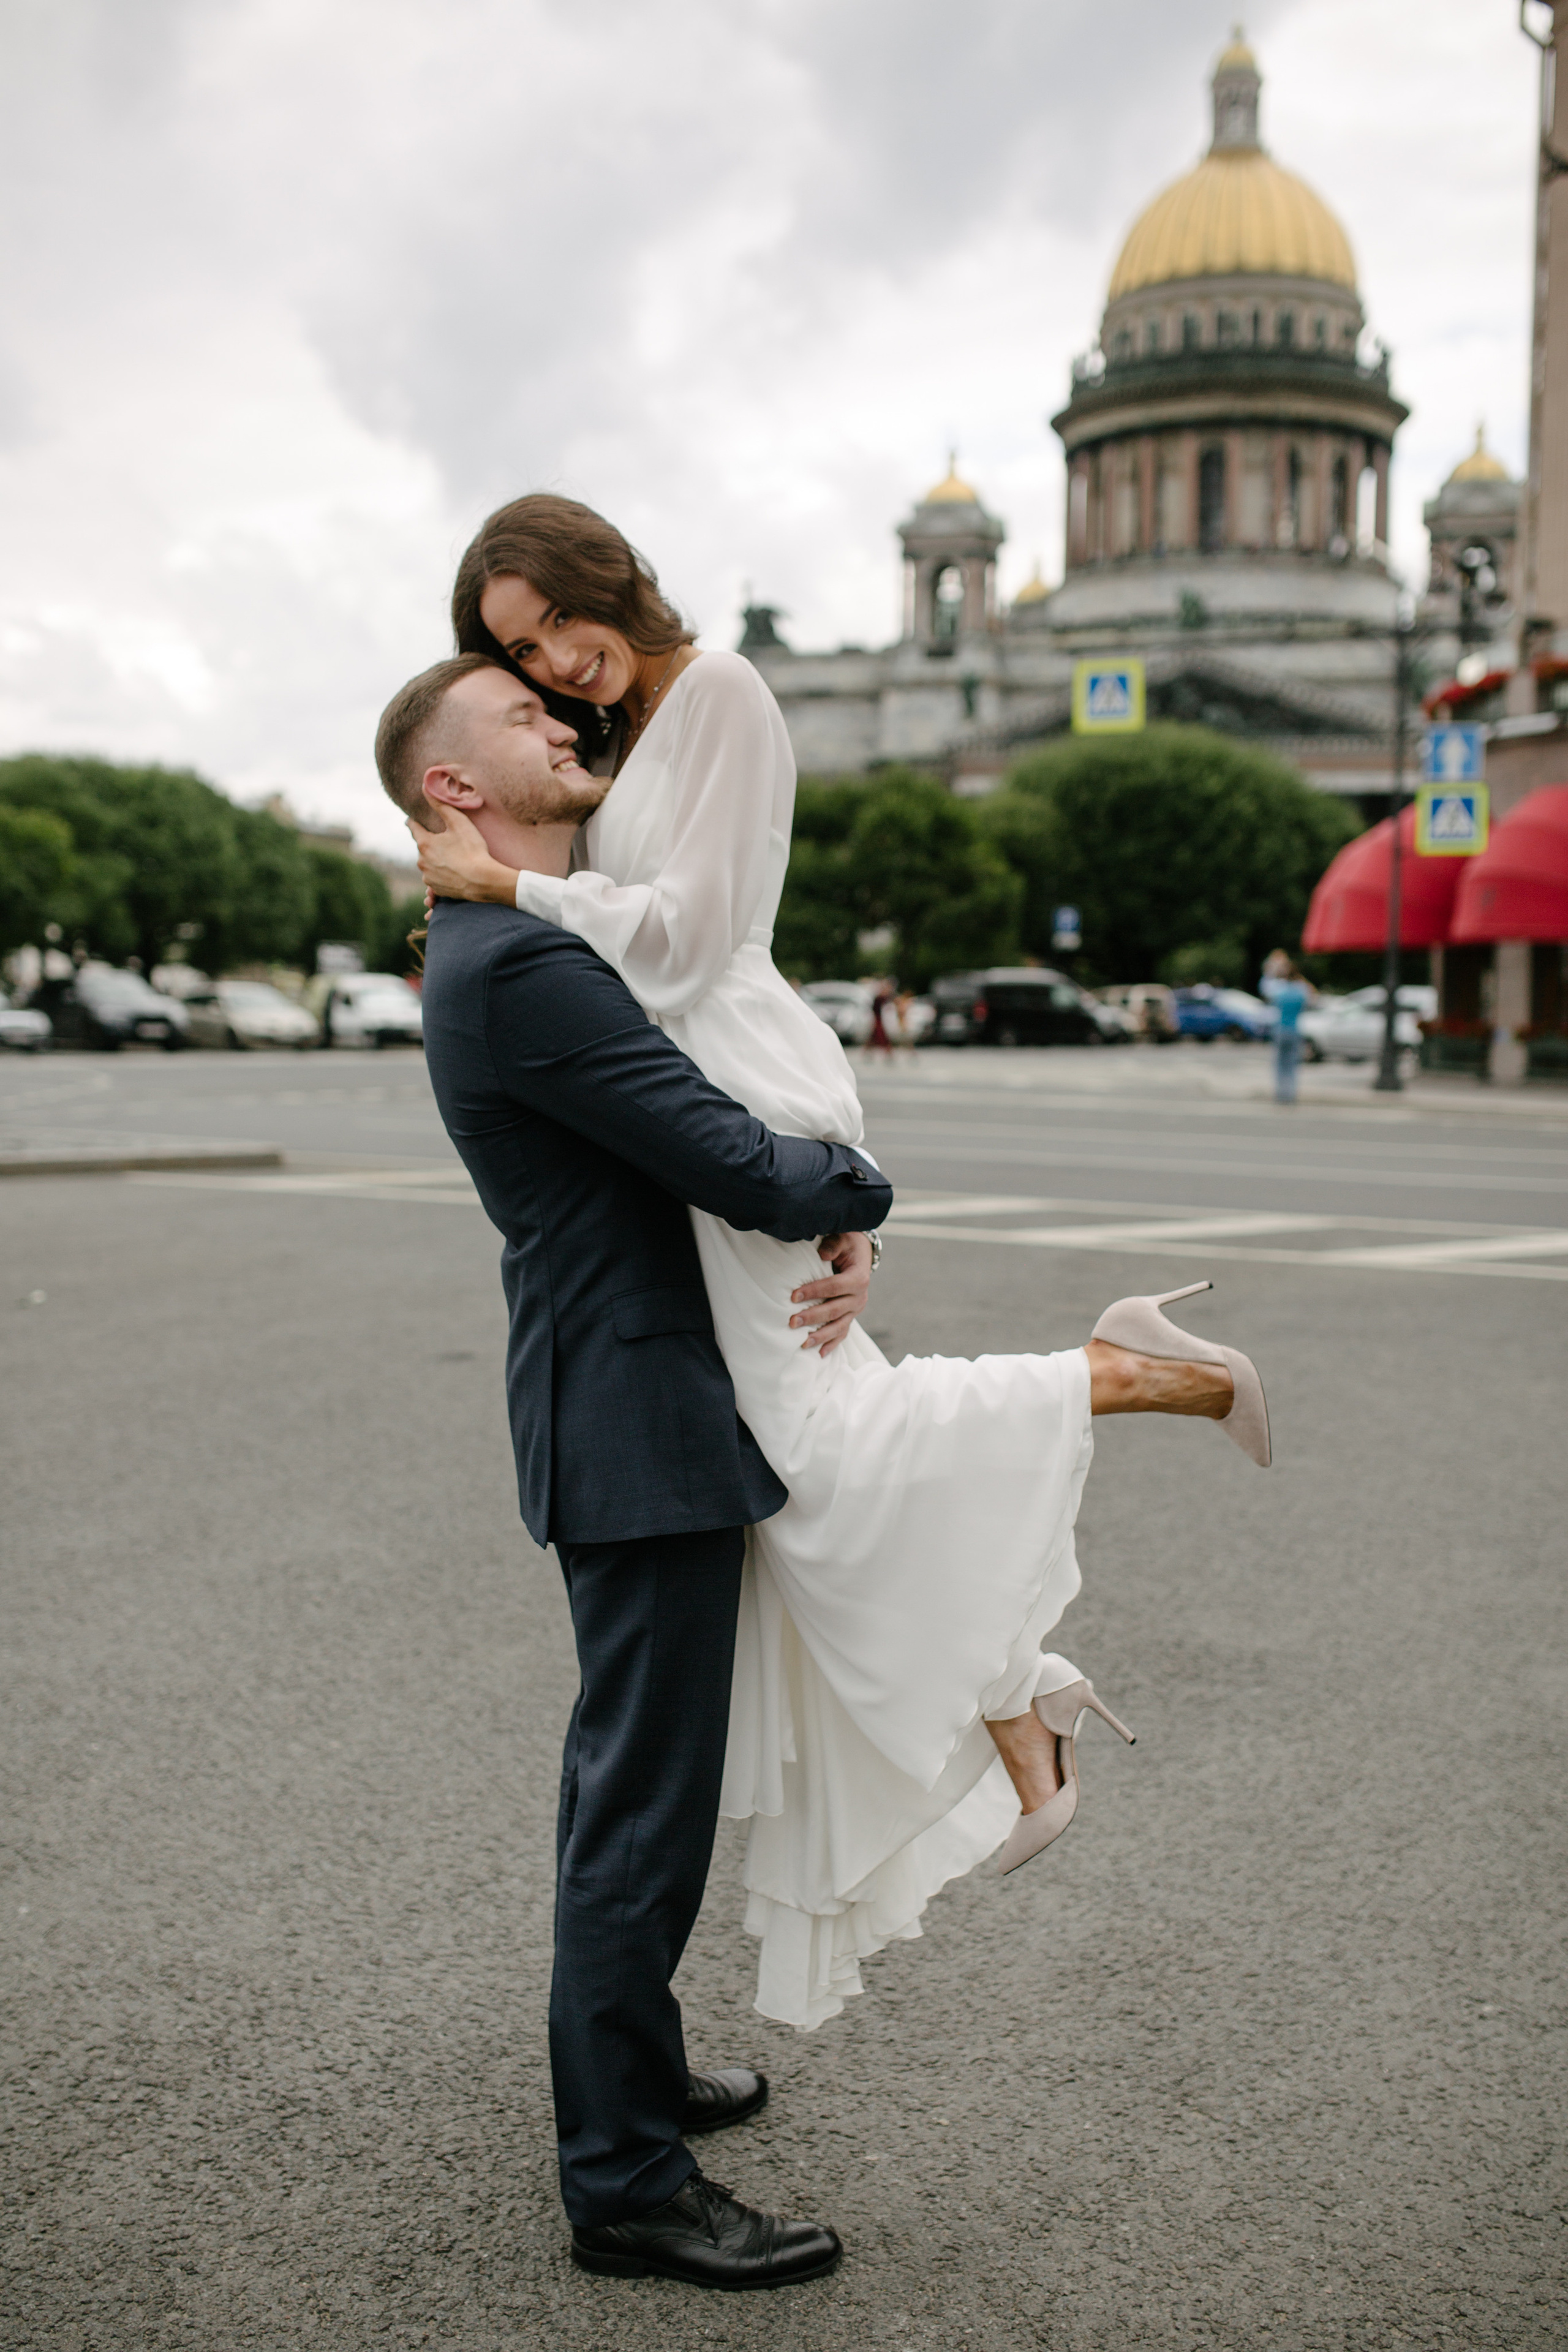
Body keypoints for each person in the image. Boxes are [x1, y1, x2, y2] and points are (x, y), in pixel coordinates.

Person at [407, 493, 1273, 2041]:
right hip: (715, 1153)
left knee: (828, 1459)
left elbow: (677, 954)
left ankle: (1117, 1389)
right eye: (520, 657)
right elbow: (641, 980)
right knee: (824, 1471)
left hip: (739, 1098)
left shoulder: (720, 696)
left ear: (607, 573)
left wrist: (514, 886)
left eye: (552, 629)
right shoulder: (566, 839)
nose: (557, 671)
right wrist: (809, 1187)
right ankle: (1021, 1685)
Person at [376, 654, 891, 2288]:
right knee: (642, 1810)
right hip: (639, 1422)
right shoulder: (521, 963)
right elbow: (722, 1155)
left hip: (627, 1404)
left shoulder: (518, 938)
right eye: (519, 718)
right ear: (449, 790)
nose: (562, 722)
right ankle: (623, 2182)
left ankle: (638, 2079)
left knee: (628, 1783)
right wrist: (862, 1178)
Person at [1261, 949, 1313, 1106]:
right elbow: (1311, 998)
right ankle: (1291, 1094)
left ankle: (1280, 1094)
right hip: (1295, 1030)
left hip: (1280, 1030)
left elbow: (1265, 989)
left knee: (1280, 1064)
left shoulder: (1280, 991)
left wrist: (1271, 969)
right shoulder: (1300, 991)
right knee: (1292, 1064)